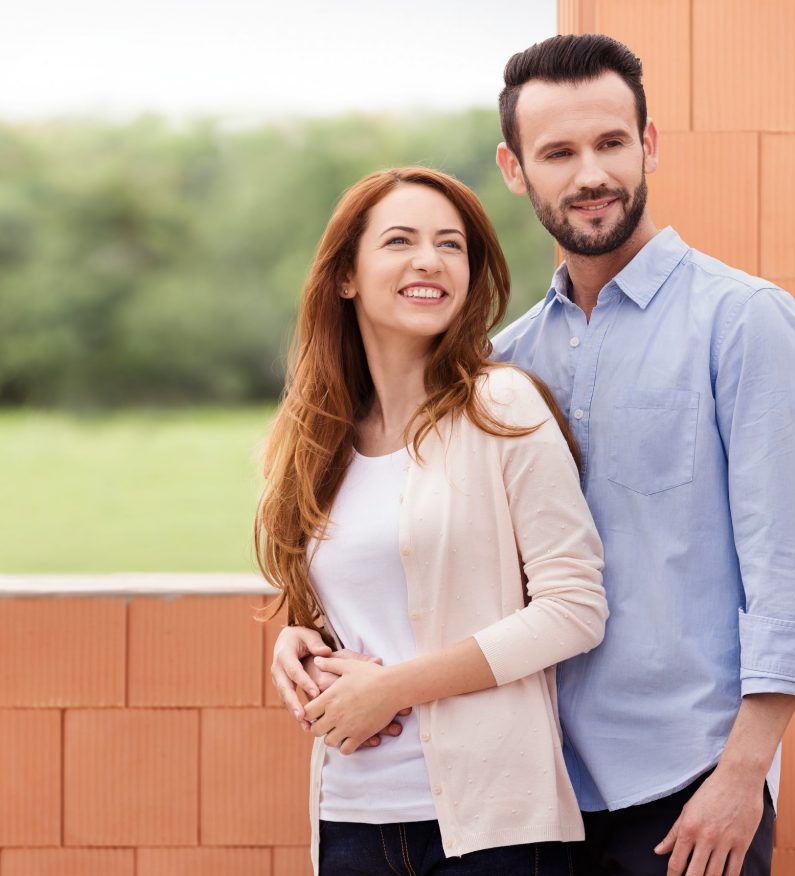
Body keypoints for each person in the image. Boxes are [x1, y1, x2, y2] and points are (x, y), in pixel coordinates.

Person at [274, 35, 795, 876]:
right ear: (515, 170)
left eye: (610, 143)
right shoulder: (505, 363)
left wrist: (743, 775)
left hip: (684, 783)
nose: (590, 174)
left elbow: (794, 572)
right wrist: (302, 636)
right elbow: (428, 554)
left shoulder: (742, 322)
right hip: (536, 788)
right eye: (558, 152)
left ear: (647, 144)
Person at [256, 166, 608, 875]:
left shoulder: (501, 407)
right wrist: (298, 643)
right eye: (399, 241)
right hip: (352, 820)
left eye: (451, 245)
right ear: (345, 276)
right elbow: (355, 605)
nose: (429, 260)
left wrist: (393, 689)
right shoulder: (312, 440)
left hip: (494, 830)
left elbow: (575, 608)